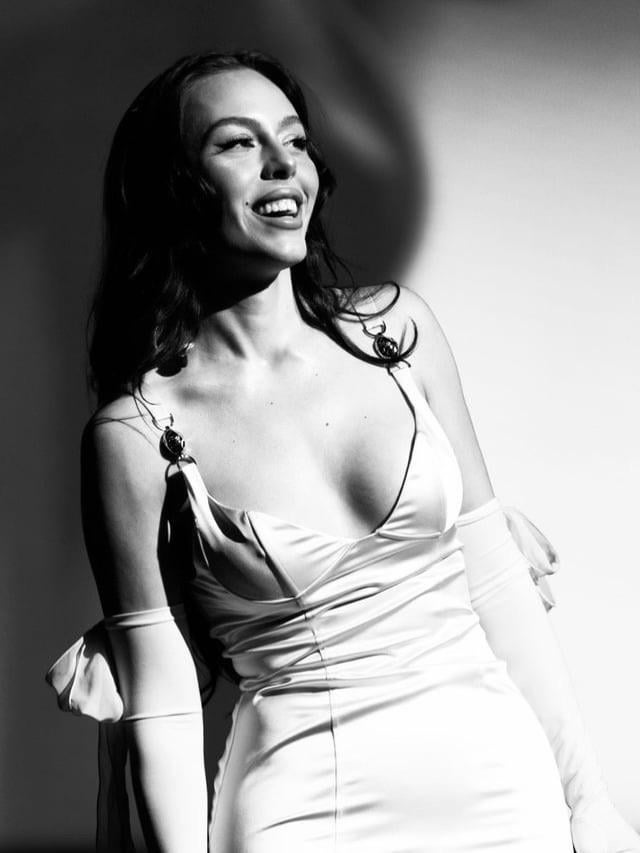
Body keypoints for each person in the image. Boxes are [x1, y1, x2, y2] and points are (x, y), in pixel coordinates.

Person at [46, 50, 640, 852]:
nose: (283, 163)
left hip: (505, 795)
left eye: (294, 139)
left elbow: (499, 586)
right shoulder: (136, 436)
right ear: (175, 185)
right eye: (239, 142)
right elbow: (164, 711)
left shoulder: (399, 333)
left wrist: (589, 800)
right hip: (302, 817)